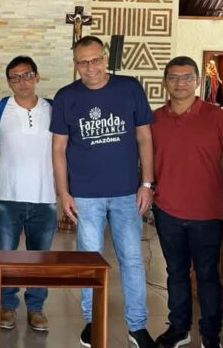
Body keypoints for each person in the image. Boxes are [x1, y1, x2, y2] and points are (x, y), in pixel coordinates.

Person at [51, 36, 156, 348]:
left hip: (127, 193)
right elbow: (58, 148)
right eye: (83, 62)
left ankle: (137, 327)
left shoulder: (129, 88)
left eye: (95, 60)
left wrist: (147, 183)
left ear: (105, 58)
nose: (90, 67)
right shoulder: (66, 97)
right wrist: (63, 193)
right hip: (85, 195)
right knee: (89, 261)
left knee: (132, 261)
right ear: (75, 64)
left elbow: (145, 138)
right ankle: (92, 321)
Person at [151, 56, 223, 348]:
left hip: (207, 213)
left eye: (186, 77)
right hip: (167, 210)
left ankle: (211, 335)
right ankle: (179, 328)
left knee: (207, 275)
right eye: (173, 77)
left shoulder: (217, 117)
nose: (179, 83)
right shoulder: (155, 119)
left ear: (197, 81)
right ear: (165, 82)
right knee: (176, 273)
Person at [0, 56, 57, 333]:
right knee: (7, 257)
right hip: (7, 197)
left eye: (27, 75)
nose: (21, 82)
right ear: (8, 82)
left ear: (37, 77)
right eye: (15, 77)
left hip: (44, 196)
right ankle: (8, 306)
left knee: (41, 258)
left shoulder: (52, 109)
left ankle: (36, 308)